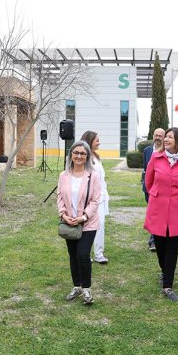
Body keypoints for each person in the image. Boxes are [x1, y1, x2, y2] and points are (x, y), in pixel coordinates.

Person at [144, 127, 178, 301]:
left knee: (172, 247)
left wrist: (176, 196)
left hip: (177, 209)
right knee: (160, 245)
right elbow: (149, 181)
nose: (166, 140)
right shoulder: (156, 157)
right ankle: (164, 270)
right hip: (158, 207)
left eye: (170, 137)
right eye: (166, 137)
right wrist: (159, 194)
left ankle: (167, 284)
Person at [57, 141, 102, 305]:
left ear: (87, 156)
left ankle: (87, 290)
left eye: (83, 153)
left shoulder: (93, 176)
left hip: (87, 222)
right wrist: (63, 215)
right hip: (69, 222)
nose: (79, 156)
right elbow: (60, 197)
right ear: (71, 155)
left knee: (83, 254)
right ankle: (77, 286)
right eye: (76, 152)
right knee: (73, 256)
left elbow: (96, 201)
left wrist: (83, 217)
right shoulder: (64, 175)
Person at [81, 131, 110, 264]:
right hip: (88, 198)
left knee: (101, 225)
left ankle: (99, 253)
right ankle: (85, 253)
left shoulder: (97, 157)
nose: (99, 142)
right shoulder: (84, 157)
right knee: (86, 226)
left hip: (101, 197)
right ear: (89, 141)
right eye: (97, 140)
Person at [143, 128, 165, 251]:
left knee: (158, 214)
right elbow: (145, 171)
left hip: (161, 189)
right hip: (148, 188)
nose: (157, 137)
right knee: (152, 213)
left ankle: (154, 240)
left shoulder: (167, 152)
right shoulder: (147, 151)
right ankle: (155, 238)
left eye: (160, 136)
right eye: (156, 135)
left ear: (164, 137)